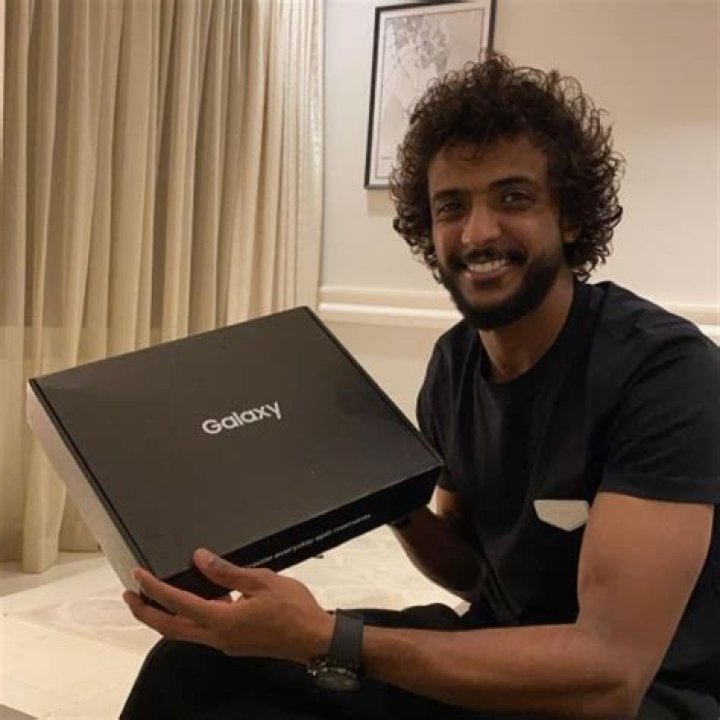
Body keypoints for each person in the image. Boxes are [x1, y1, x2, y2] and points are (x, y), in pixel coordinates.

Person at [120, 53, 720, 719]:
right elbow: (471, 571)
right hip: (496, 654)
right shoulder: (454, 364)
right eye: (451, 206)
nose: (479, 232)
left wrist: (326, 638)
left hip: (643, 697)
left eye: (514, 198)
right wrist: (390, 497)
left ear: (571, 217)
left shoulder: (665, 373)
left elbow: (609, 675)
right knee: (194, 667)